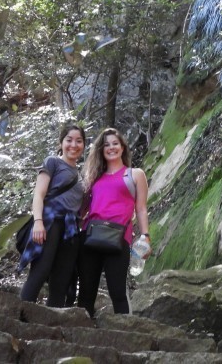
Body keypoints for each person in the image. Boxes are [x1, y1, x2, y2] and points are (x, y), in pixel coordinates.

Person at [77, 128, 151, 316]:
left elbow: (141, 208)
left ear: (123, 147)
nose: (111, 148)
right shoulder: (93, 177)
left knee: (117, 290)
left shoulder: (135, 174)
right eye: (107, 145)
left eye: (115, 143)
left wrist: (145, 236)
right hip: (90, 235)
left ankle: (126, 334)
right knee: (86, 291)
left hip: (119, 238)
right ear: (101, 150)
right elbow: (82, 210)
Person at [18, 123, 86, 307]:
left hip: (70, 228)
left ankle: (52, 322)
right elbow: (39, 194)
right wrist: (38, 222)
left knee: (61, 279)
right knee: (41, 270)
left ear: (84, 145)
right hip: (50, 222)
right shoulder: (53, 162)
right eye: (69, 140)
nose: (74, 145)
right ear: (61, 142)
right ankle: (20, 316)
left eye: (79, 141)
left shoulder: (81, 176)